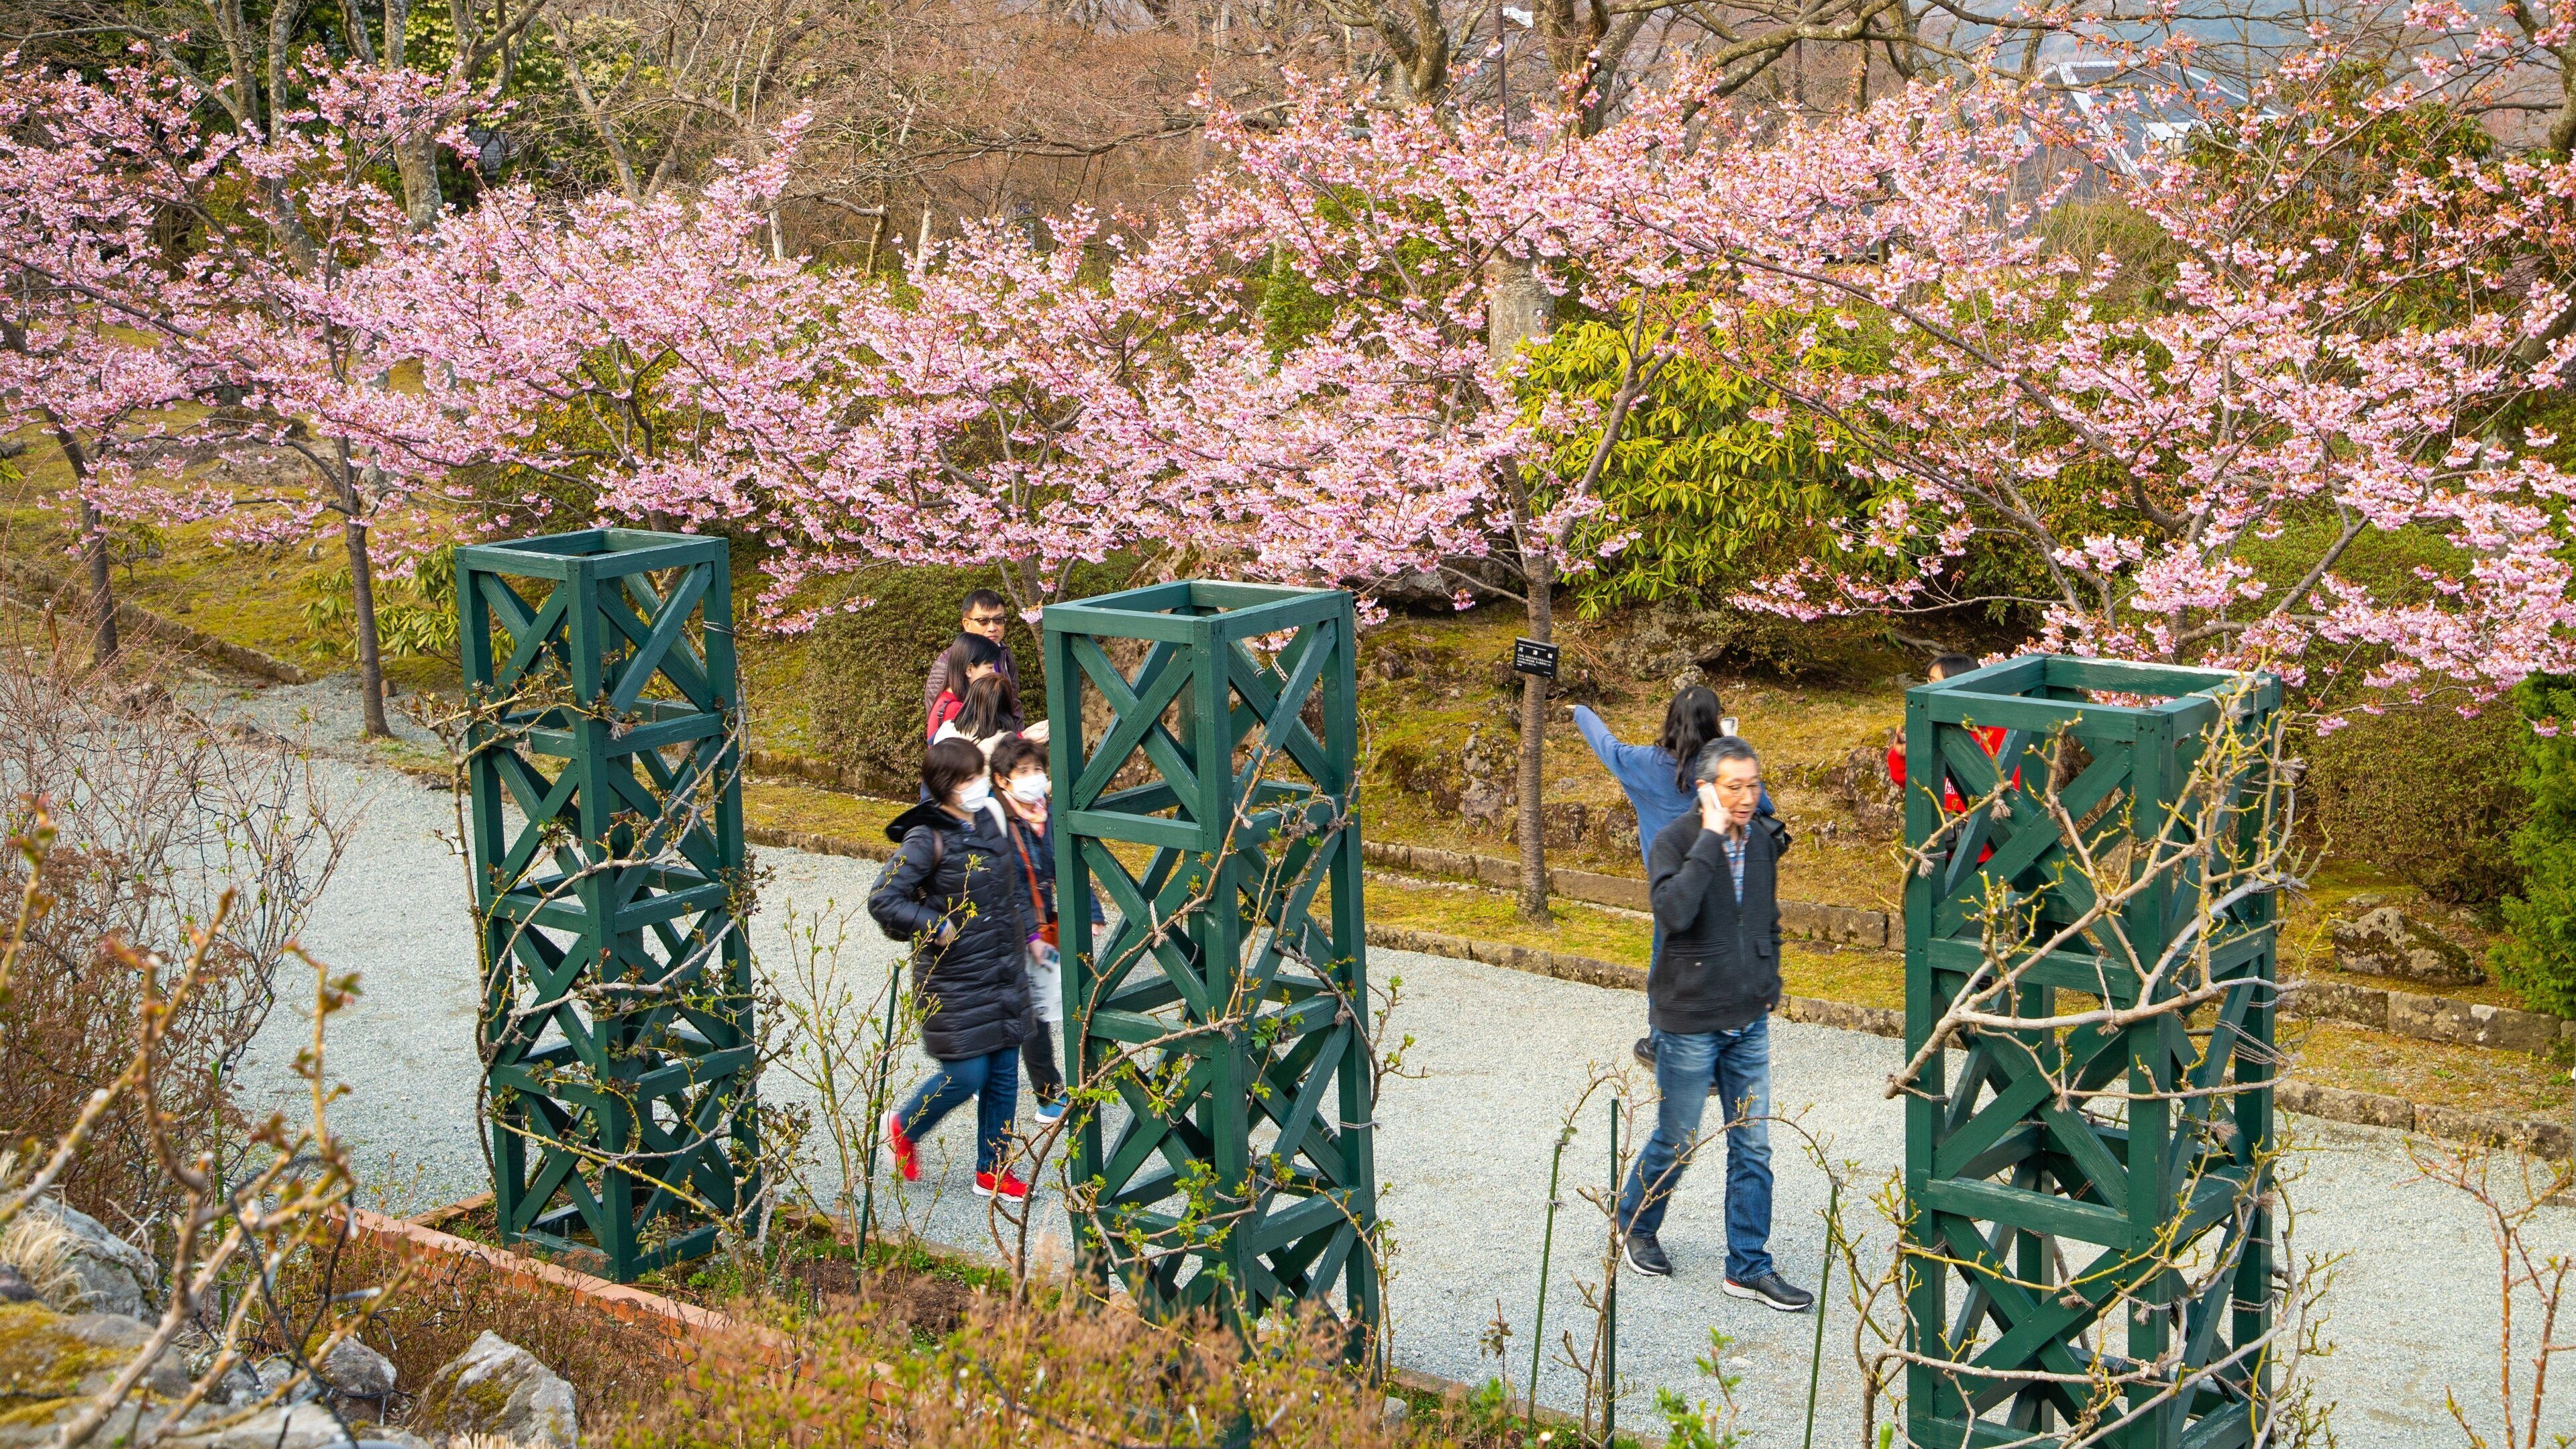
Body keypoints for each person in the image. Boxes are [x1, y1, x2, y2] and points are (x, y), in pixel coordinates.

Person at [1616, 736, 1813, 1312]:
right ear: (1706, 789)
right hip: (1688, 1021)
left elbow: (1766, 916)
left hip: (1747, 1020)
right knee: (1677, 1141)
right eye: (1735, 786)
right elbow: (1674, 912)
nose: (1749, 797)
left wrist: (1767, 977)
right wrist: (1709, 836)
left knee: (1753, 1148)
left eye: (1754, 784)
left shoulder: (1760, 843)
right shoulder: (1675, 842)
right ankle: (1635, 1224)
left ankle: (1748, 1266)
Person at [1572, 688, 1781, 1071]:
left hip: (1673, 887)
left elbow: (1606, 744)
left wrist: (1580, 709)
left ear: (1670, 720)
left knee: (1668, 961)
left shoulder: (1640, 764)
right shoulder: (1722, 771)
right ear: (1713, 721)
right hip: (1723, 882)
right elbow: (1763, 807)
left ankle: (1664, 1043)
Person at [869, 737, 1037, 1203]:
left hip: (1003, 971)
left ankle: (994, 1170)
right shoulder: (927, 837)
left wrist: (1032, 938)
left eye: (979, 775)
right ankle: (903, 1126)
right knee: (966, 1075)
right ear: (945, 786)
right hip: (954, 977)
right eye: (968, 779)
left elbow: (1011, 886)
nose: (978, 785)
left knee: (1004, 1075)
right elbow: (884, 899)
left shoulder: (990, 818)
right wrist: (932, 924)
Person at [989, 735, 1067, 1122]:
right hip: (1007, 931)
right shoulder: (997, 819)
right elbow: (1012, 883)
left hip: (1039, 925)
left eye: (1038, 770)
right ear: (1002, 780)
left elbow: (1065, 866)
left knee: (1033, 1009)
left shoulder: (1044, 813)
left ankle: (1046, 1091)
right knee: (1029, 1014)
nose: (1034, 778)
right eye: (1024, 772)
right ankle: (1048, 1094)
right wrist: (1032, 935)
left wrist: (1088, 910)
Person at [924, 589, 1021, 728]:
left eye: (998, 620)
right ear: (967, 624)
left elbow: (1014, 706)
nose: (992, 628)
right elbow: (938, 713)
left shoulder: (1004, 654)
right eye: (983, 621)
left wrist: (1018, 743)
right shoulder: (949, 661)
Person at [934, 670, 1045, 759]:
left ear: (970, 698)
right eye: (990, 666)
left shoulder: (945, 729)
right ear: (1006, 706)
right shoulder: (1001, 744)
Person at [927, 635, 1008, 741]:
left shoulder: (954, 701)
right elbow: (982, 750)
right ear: (969, 669)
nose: (994, 673)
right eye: (990, 667)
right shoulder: (955, 709)